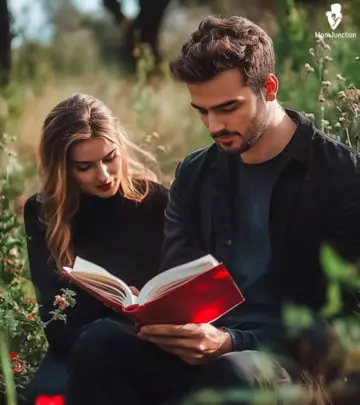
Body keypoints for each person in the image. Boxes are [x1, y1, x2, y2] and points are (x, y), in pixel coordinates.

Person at [66, 16, 360, 405]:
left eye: (228, 107)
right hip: (203, 346)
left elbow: (343, 322)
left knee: (232, 373)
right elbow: (181, 279)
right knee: (99, 343)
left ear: (269, 88)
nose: (213, 125)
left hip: (291, 362)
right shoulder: (194, 173)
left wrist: (232, 342)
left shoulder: (341, 175)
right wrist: (156, 315)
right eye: (201, 111)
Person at [22, 93, 168, 404]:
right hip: (74, 346)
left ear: (121, 148)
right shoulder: (43, 213)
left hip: (149, 342)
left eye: (109, 158)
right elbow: (54, 319)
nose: (103, 175)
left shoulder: (154, 201)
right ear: (62, 169)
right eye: (85, 167)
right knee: (45, 396)